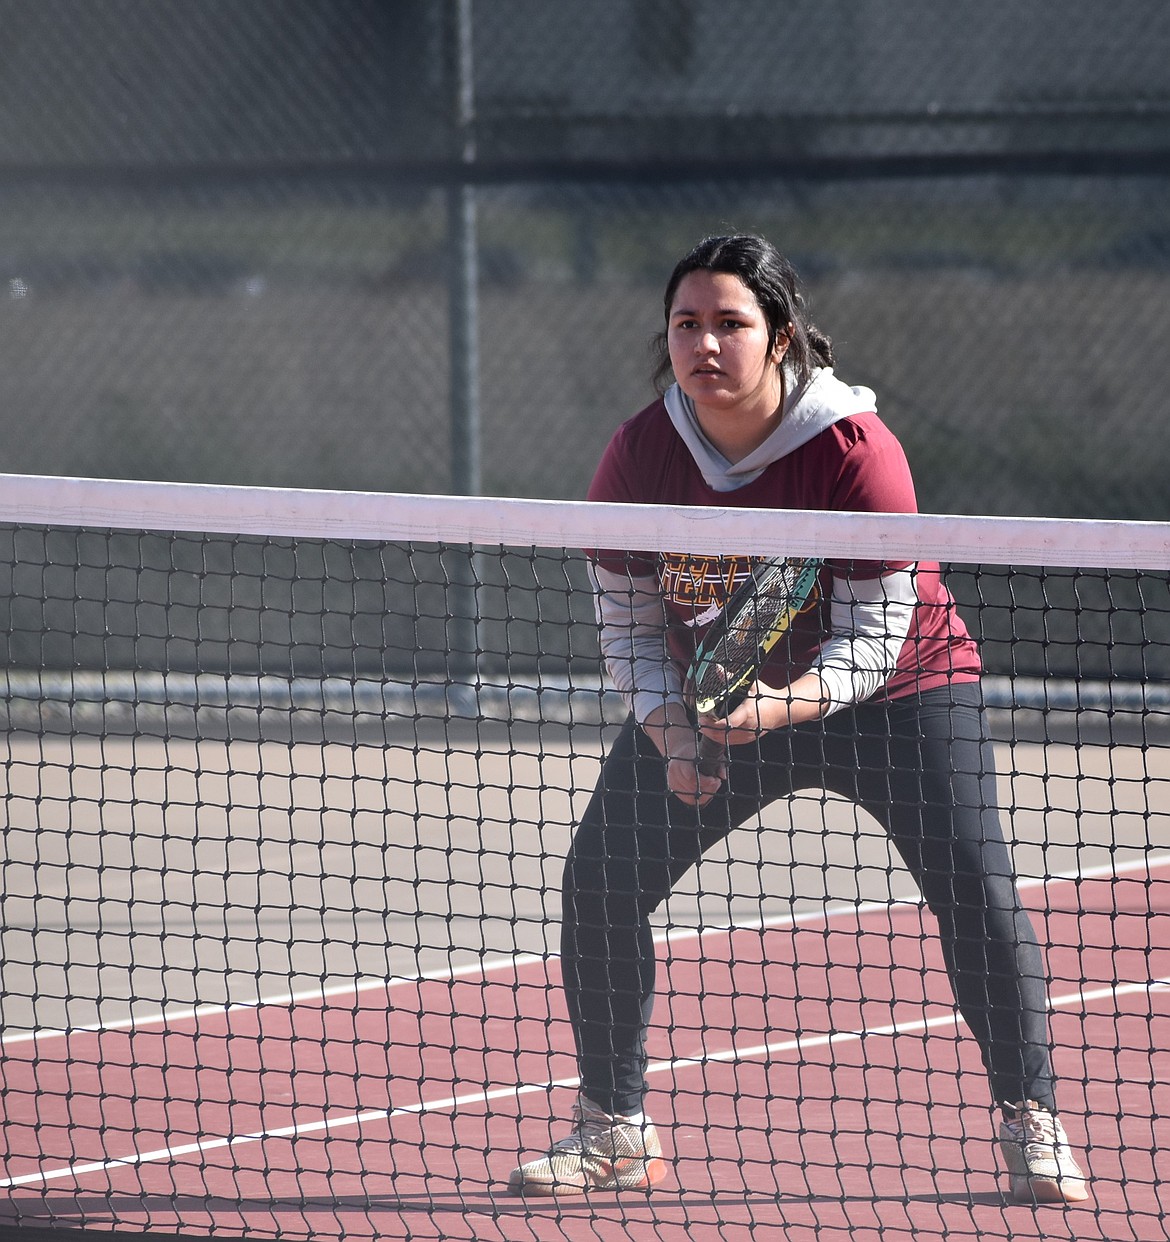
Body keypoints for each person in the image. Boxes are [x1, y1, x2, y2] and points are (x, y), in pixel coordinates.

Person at [506, 233, 1089, 1204]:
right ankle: (613, 1129)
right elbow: (627, 621)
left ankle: (1033, 1123)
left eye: (730, 323)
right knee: (600, 884)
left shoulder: (854, 452)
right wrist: (671, 732)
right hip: (718, 705)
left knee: (976, 893)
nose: (705, 342)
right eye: (686, 323)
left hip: (902, 695)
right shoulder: (642, 453)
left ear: (780, 337)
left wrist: (784, 703)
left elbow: (875, 630)